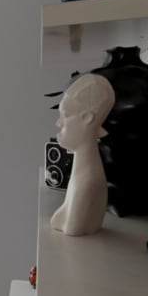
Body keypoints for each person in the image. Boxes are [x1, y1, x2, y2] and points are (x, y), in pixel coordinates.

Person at [50, 74, 115, 235]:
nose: (58, 123)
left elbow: (73, 229)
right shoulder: (83, 173)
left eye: (65, 115)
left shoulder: (88, 182)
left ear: (87, 118)